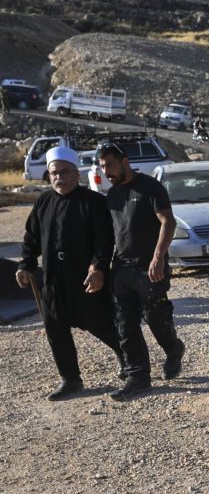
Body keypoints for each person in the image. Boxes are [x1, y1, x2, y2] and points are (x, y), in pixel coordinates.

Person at [16, 147, 125, 400]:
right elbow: (31, 237)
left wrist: (98, 267)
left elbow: (104, 240)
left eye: (64, 172)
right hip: (53, 281)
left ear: (77, 173)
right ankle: (70, 380)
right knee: (55, 330)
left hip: (86, 280)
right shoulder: (43, 201)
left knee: (102, 324)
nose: (59, 177)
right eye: (54, 173)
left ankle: (130, 360)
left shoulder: (93, 201)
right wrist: (25, 265)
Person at [97, 141, 186, 401]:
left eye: (110, 165)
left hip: (150, 269)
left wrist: (159, 257)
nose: (107, 172)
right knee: (125, 325)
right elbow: (109, 236)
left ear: (124, 161)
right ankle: (138, 376)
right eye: (102, 167)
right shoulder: (112, 195)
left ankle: (173, 350)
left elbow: (167, 221)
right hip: (122, 270)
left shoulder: (150, 187)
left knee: (157, 320)